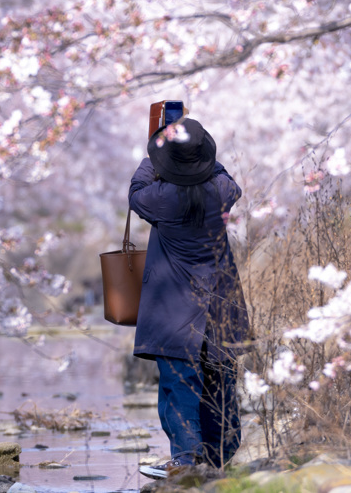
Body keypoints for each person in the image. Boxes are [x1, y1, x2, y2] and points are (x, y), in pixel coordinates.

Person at [127, 117, 250, 480]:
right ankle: (220, 461)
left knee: (180, 385)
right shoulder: (223, 190)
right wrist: (195, 152)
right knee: (220, 383)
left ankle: (184, 460)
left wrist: (155, 156)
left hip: (174, 309)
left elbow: (136, 192)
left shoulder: (160, 199)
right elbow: (223, 173)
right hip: (220, 307)